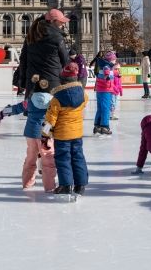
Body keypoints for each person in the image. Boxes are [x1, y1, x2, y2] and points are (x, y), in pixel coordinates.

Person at [43, 61, 89, 199]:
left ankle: (65, 186)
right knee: (78, 158)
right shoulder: (83, 95)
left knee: (63, 159)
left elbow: (50, 120)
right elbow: (83, 104)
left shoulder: (57, 99)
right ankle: (80, 185)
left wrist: (45, 134)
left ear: (62, 80)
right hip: (77, 134)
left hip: (62, 136)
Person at [0, 90, 57, 192]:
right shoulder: (53, 101)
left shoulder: (30, 100)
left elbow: (16, 108)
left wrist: (3, 113)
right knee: (48, 159)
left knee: (31, 158)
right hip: (46, 133)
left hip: (31, 133)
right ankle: (49, 186)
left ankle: (27, 182)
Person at [19, 10, 70, 98]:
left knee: (31, 110)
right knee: (52, 110)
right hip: (53, 82)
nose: (63, 24)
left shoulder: (31, 35)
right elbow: (65, 62)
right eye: (61, 21)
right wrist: (68, 82)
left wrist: (23, 81)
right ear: (52, 21)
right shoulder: (58, 37)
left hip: (32, 82)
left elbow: (23, 60)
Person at [93, 50, 117, 135]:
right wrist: (107, 77)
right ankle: (105, 126)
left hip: (100, 90)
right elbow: (106, 72)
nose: (115, 61)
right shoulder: (106, 66)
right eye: (114, 59)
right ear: (110, 60)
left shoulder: (104, 65)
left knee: (100, 108)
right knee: (106, 109)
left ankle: (97, 126)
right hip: (105, 90)